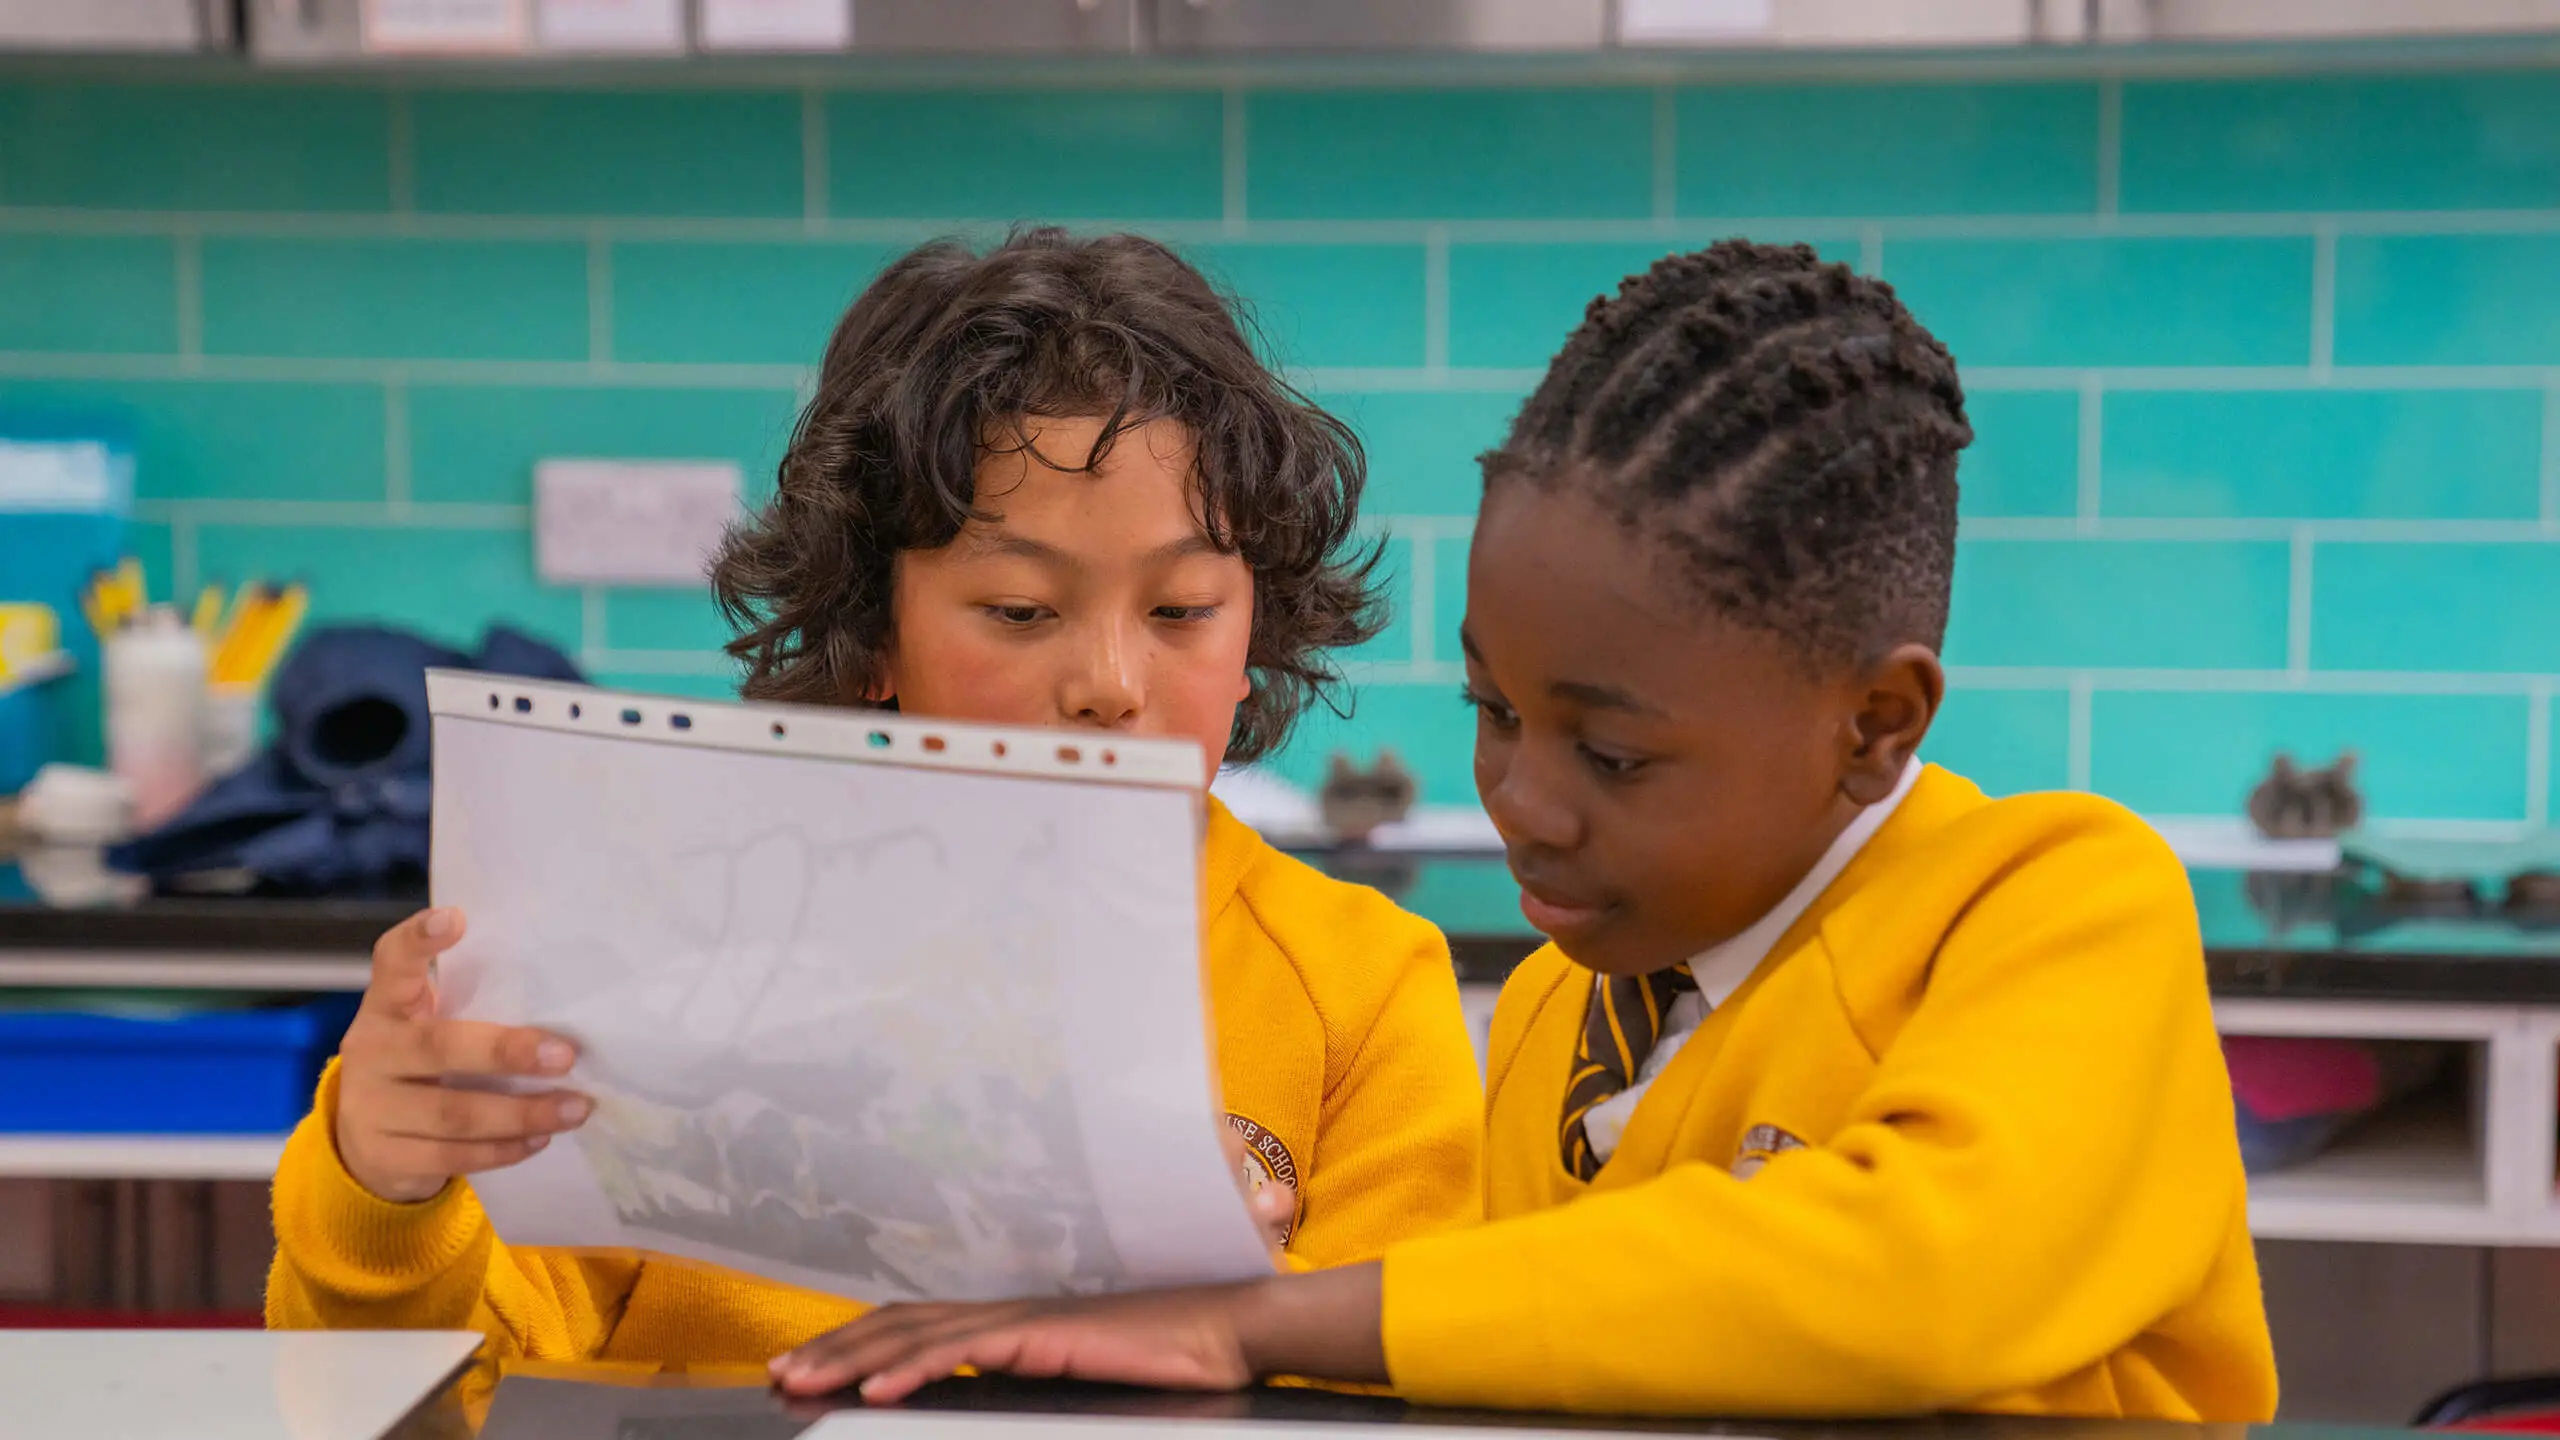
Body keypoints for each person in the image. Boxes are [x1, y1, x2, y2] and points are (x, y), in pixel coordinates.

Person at [768, 240, 2282, 1422]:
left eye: (1614, 752)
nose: (1519, 804)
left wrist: (1259, 1307)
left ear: (1877, 724)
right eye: (1494, 713)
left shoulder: (2057, 904)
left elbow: (1923, 1272)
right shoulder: (1567, 1008)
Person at [265, 230, 1485, 1391]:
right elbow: (463, 1387)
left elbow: (1400, 1394)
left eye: (1181, 612)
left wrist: (1234, 1301)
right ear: (873, 638)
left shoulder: (1362, 990)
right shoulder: (674, 946)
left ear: (1257, 623)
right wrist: (385, 1189)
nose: (1111, 686)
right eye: (1019, 610)